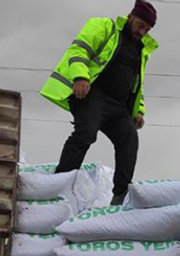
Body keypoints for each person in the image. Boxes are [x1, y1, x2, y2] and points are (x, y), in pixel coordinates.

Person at [40, 1, 159, 206]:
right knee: (86, 133)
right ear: (130, 16)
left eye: (147, 29)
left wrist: (138, 111)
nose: (142, 31)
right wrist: (80, 77)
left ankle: (120, 197)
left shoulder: (142, 49)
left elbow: (137, 84)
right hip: (94, 94)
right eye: (140, 25)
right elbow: (78, 51)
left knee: (129, 139)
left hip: (118, 106)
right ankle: (60, 183)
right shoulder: (105, 27)